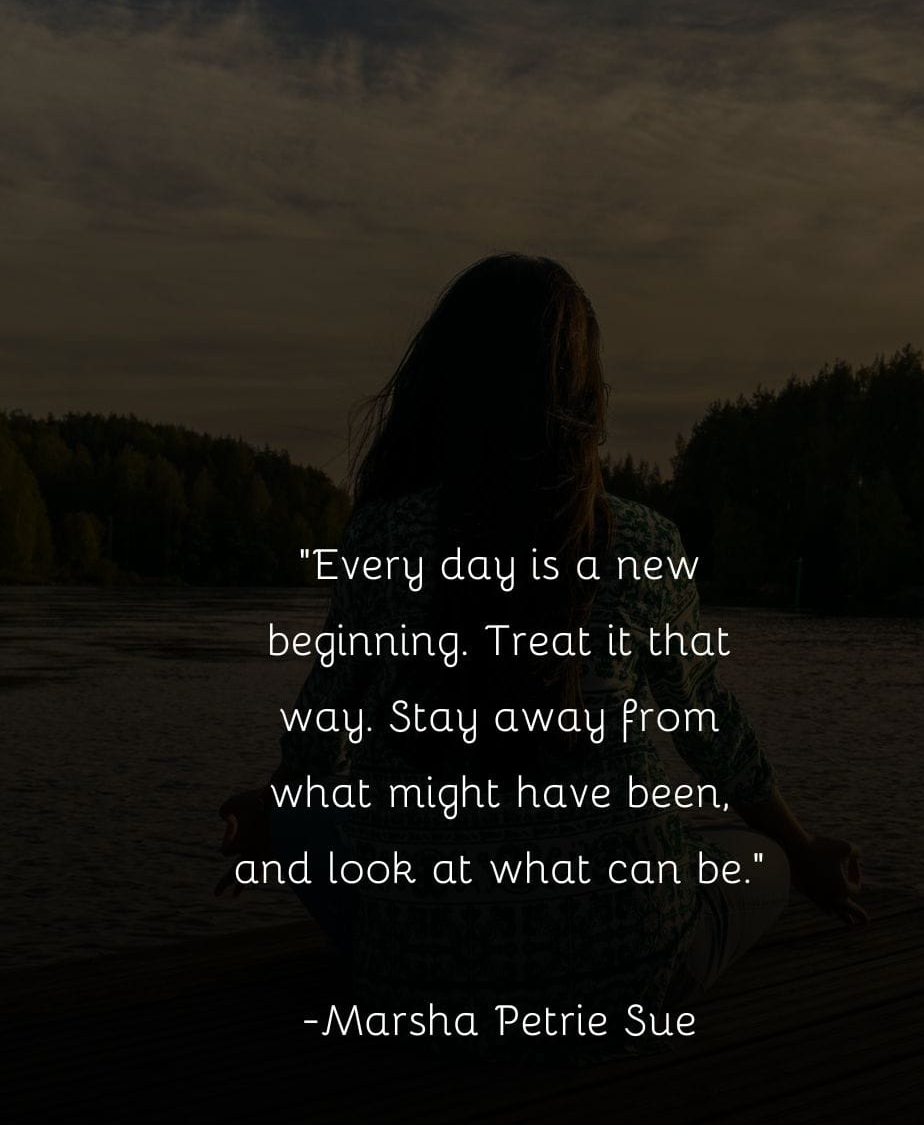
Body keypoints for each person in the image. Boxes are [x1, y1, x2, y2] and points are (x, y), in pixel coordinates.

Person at [217, 253, 864, 1059]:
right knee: (755, 857)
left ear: (443, 385)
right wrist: (803, 851)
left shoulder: (384, 536)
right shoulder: (642, 543)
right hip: (627, 981)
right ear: (584, 398)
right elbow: (712, 731)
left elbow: (318, 735)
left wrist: (276, 807)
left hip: (414, 983)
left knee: (317, 820)